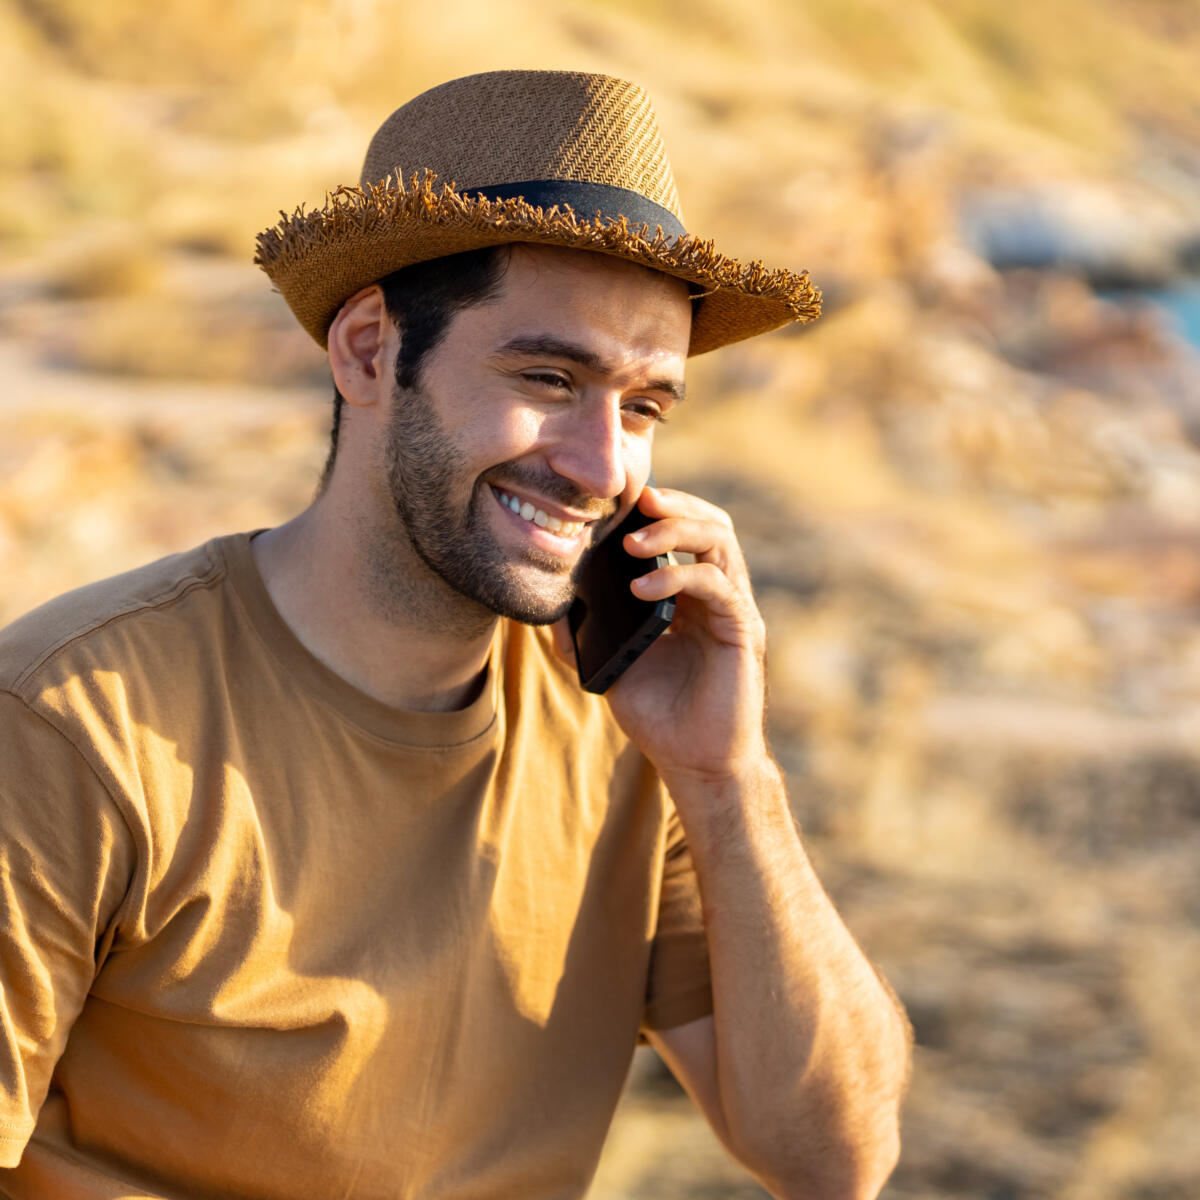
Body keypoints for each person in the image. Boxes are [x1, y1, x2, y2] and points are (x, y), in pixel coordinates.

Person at [0, 70, 910, 1199]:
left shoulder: (625, 722)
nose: (601, 465)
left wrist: (728, 780)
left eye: (643, 406)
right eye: (547, 376)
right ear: (372, 351)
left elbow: (836, 1162)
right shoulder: (68, 723)